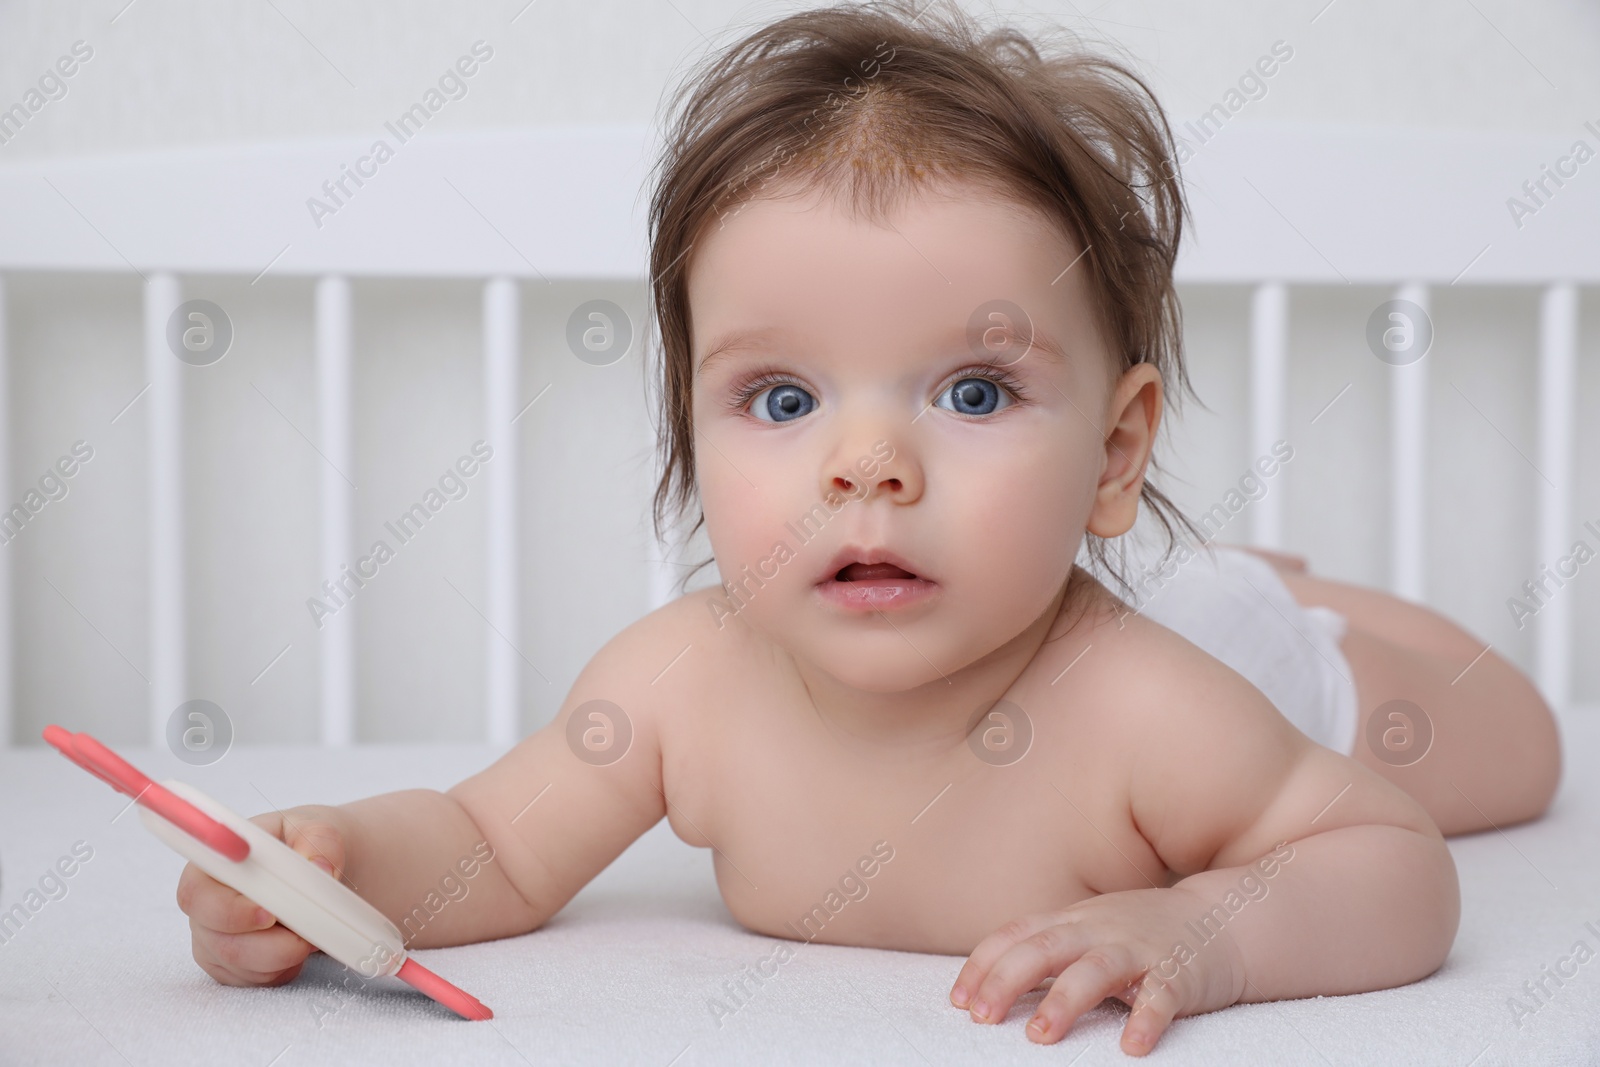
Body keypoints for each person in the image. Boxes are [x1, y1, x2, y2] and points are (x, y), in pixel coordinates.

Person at [176, 1, 1561, 1054]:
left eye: (972, 391)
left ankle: (1276, 589)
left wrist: (1206, 924)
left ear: (1113, 454)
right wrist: (336, 872)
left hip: (1255, 657)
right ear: (689, 431)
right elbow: (497, 840)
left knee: (1516, 747)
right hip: (1134, 594)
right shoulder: (679, 683)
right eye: (781, 396)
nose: (869, 468)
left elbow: (1392, 861)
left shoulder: (1151, 709)